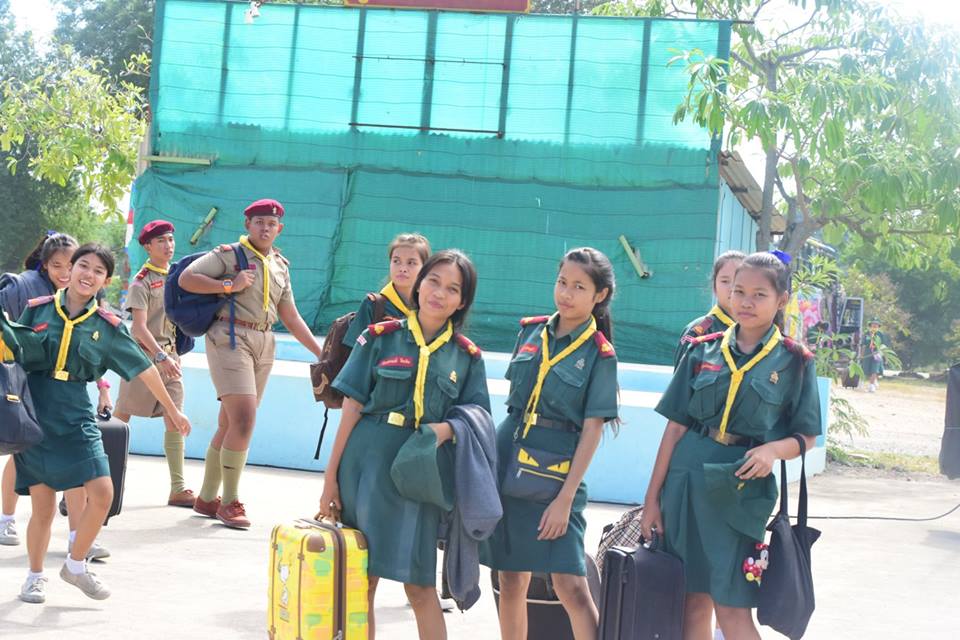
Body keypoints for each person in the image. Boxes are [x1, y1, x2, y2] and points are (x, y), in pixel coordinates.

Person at [641, 251, 822, 640]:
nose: (746, 302)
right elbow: (674, 429)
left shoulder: (795, 361)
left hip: (740, 491)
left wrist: (773, 451)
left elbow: (807, 436)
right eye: (739, 291)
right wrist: (651, 499)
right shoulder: (701, 349)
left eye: (759, 294)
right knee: (691, 601)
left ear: (781, 300)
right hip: (685, 480)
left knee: (732, 607)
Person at [0, 243, 191, 604]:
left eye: (98, 271)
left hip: (76, 416)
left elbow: (144, 368)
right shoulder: (37, 309)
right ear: (70, 270)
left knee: (103, 492)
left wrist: (172, 410)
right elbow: (10, 354)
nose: (88, 275)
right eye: (83, 266)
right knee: (43, 508)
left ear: (106, 281)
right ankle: (34, 577)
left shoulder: (108, 326)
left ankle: (75, 565)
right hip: (36, 416)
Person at [318, 249, 490, 640]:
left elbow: (476, 418)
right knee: (362, 581)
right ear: (419, 284)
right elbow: (352, 408)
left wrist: (444, 431)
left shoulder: (467, 357)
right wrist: (330, 478)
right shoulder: (380, 338)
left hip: (420, 474)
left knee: (419, 585)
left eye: (452, 289)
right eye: (433, 281)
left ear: (462, 301)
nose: (439, 294)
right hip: (366, 465)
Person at [482, 247, 619, 640]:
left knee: (570, 585)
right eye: (562, 282)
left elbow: (592, 430)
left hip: (557, 473)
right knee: (510, 579)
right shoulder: (530, 331)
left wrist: (565, 499)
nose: (566, 293)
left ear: (599, 296)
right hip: (510, 462)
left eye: (579, 287)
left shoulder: (599, 354)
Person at [179, 198, 323, 529]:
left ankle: (207, 498)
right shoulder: (229, 255)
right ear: (247, 225)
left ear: (279, 229)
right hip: (230, 336)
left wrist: (320, 352)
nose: (265, 228)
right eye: (259, 222)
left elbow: (290, 315)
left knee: (230, 423)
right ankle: (229, 502)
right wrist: (228, 284)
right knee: (244, 420)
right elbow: (187, 278)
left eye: (271, 224)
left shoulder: (280, 265)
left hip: (264, 340)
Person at [0, 233, 111, 559]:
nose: (66, 272)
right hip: (28, 392)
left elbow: (93, 348)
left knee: (77, 472)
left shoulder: (84, 299)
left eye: (71, 264)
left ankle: (78, 538)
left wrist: (103, 388)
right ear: (45, 265)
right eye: (57, 265)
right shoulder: (30, 295)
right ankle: (7, 519)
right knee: (21, 458)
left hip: (67, 402)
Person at [113, 220, 195, 508]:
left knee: (175, 418)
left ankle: (178, 487)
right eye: (161, 241)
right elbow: (138, 328)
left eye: (170, 239)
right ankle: (100, 476)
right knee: (121, 417)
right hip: (143, 358)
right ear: (147, 247)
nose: (168, 245)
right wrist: (160, 355)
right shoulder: (142, 281)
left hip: (171, 358)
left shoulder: (176, 276)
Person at [341, 232, 431, 346]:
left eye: (411, 263)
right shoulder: (373, 305)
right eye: (396, 261)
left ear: (424, 268)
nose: (402, 268)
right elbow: (355, 350)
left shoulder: (430, 307)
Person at [675, 251, 745, 368]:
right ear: (714, 287)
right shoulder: (698, 332)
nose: (732, 288)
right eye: (725, 281)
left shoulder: (759, 331)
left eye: (739, 280)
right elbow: (681, 378)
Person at [861, 319, 887, 393]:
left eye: (876, 324)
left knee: (874, 369)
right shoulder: (866, 334)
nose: (874, 326)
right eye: (873, 324)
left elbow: (883, 346)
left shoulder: (880, 334)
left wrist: (885, 356)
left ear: (878, 326)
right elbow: (863, 345)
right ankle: (868, 381)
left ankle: (871, 385)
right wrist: (862, 355)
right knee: (866, 369)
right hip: (867, 353)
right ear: (870, 325)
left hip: (877, 353)